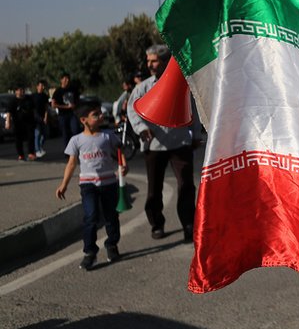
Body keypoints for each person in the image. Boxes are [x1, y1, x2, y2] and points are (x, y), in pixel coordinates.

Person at [127, 44, 203, 242]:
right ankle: (156, 224)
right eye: (148, 61)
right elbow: (132, 110)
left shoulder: (181, 84)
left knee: (186, 185)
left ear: (165, 61)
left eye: (154, 61)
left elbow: (193, 110)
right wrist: (141, 129)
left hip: (180, 144)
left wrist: (195, 135)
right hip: (154, 146)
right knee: (154, 188)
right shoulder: (142, 88)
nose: (150, 65)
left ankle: (188, 224)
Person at [55, 103, 126, 270]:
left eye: (101, 114)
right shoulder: (76, 140)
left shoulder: (108, 136)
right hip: (88, 185)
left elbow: (119, 151)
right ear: (84, 120)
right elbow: (71, 164)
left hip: (109, 183)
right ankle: (90, 253)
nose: (101, 116)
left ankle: (112, 245)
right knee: (90, 217)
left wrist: (123, 165)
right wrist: (63, 185)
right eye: (96, 114)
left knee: (111, 216)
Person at [5, 85, 37, 161]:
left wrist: (36, 118)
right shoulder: (13, 101)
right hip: (18, 123)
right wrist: (8, 122)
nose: (21, 91)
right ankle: (21, 154)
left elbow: (34, 109)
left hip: (29, 122)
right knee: (18, 139)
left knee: (31, 137)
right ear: (16, 91)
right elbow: (9, 112)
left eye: (22, 90)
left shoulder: (29, 99)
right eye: (19, 90)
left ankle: (31, 153)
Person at [51, 72, 82, 150]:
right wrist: (66, 107)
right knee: (65, 133)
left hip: (72, 114)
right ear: (61, 80)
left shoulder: (73, 89)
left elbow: (78, 100)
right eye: (65, 79)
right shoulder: (58, 91)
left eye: (68, 78)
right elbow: (53, 105)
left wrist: (76, 106)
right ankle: (68, 150)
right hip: (62, 115)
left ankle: (76, 148)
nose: (67, 80)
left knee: (75, 130)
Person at [31, 79, 50, 158]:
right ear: (37, 87)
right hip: (36, 118)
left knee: (45, 134)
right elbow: (31, 108)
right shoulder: (33, 96)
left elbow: (46, 107)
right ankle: (37, 150)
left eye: (43, 86)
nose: (42, 87)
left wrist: (46, 117)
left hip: (43, 117)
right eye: (41, 85)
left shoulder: (45, 96)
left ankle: (40, 147)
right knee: (37, 134)